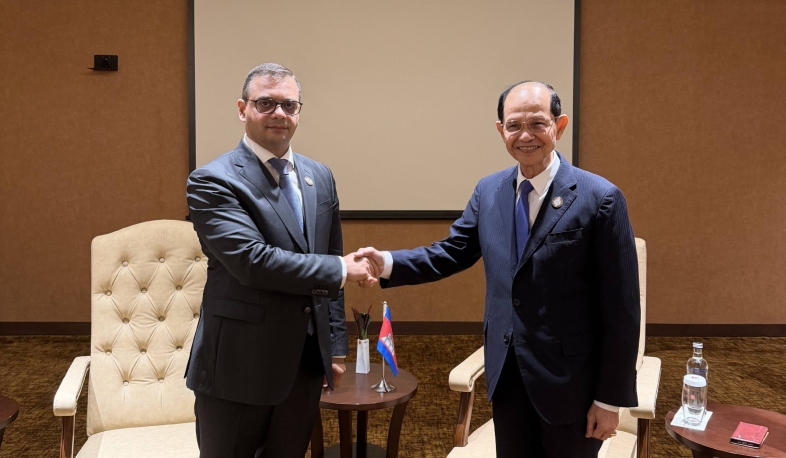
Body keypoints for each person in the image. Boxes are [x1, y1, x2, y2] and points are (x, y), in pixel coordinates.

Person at [356, 81, 640, 457]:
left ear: (560, 125)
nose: (525, 136)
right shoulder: (488, 192)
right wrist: (388, 262)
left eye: (537, 124)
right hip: (507, 376)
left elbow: (622, 309)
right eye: (514, 125)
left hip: (571, 386)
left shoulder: (600, 198)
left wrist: (608, 399)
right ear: (500, 130)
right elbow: (452, 252)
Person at [185, 63, 378, 458]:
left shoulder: (319, 175)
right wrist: (342, 268)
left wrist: (334, 348)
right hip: (238, 366)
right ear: (243, 109)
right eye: (266, 103)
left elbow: (327, 259)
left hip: (302, 365)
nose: (279, 113)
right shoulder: (213, 180)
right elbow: (253, 261)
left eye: (289, 105)